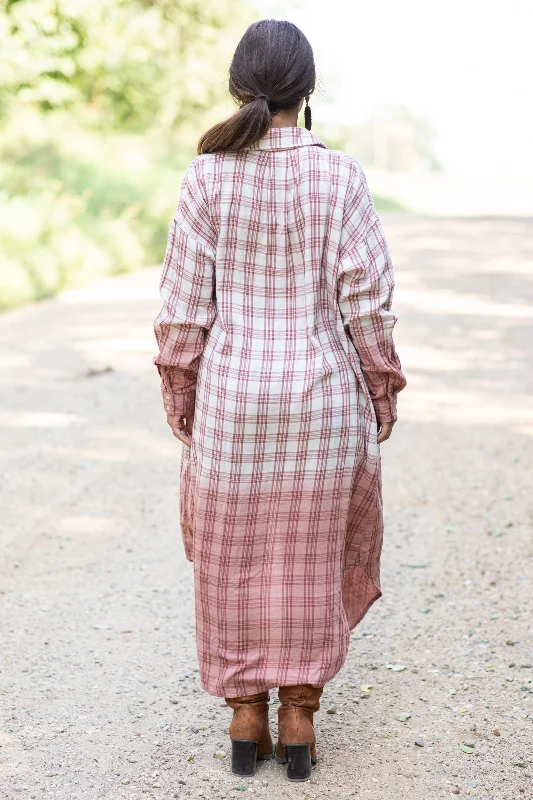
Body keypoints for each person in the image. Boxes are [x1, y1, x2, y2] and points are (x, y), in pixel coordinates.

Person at [153, 18, 406, 783]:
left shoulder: (206, 177)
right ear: (308, 92)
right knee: (311, 556)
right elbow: (368, 302)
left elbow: (181, 311)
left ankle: (243, 714)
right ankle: (298, 712)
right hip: (324, 406)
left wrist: (181, 390)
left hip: (234, 406)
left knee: (231, 557)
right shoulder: (341, 179)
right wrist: (380, 385)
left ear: (239, 87)